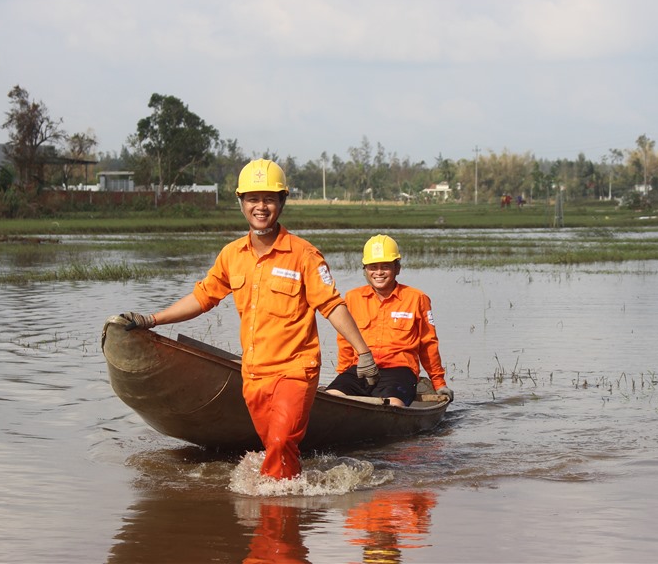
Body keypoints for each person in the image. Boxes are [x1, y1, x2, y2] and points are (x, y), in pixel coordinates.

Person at [120, 159, 378, 480]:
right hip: (253, 378)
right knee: (276, 449)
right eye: (253, 199)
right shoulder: (232, 255)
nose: (261, 206)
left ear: (282, 201)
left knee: (281, 442)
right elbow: (203, 297)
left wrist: (363, 354)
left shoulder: (304, 255)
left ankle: (272, 519)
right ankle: (288, 507)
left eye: (269, 198)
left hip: (295, 371)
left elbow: (332, 305)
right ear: (241, 202)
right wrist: (151, 319)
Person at [325, 234, 453, 407]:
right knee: (332, 398)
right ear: (365, 270)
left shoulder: (416, 298)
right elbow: (345, 341)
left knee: (393, 406)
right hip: (362, 369)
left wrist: (439, 383)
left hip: (400, 371)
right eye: (373, 267)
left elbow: (428, 344)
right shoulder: (353, 298)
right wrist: (342, 375)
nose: (378, 272)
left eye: (385, 266)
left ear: (397, 268)